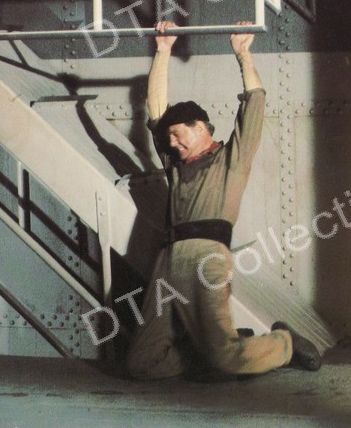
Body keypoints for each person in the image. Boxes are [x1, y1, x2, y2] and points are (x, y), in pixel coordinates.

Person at [125, 20, 321, 380]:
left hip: (207, 257)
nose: (172, 144)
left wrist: (243, 54)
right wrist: (163, 50)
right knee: (141, 364)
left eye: (178, 134)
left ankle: (284, 343)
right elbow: (156, 112)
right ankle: (215, 351)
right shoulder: (175, 163)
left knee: (227, 359)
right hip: (167, 258)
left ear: (201, 127)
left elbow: (255, 104)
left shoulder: (231, 158)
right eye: (169, 139)